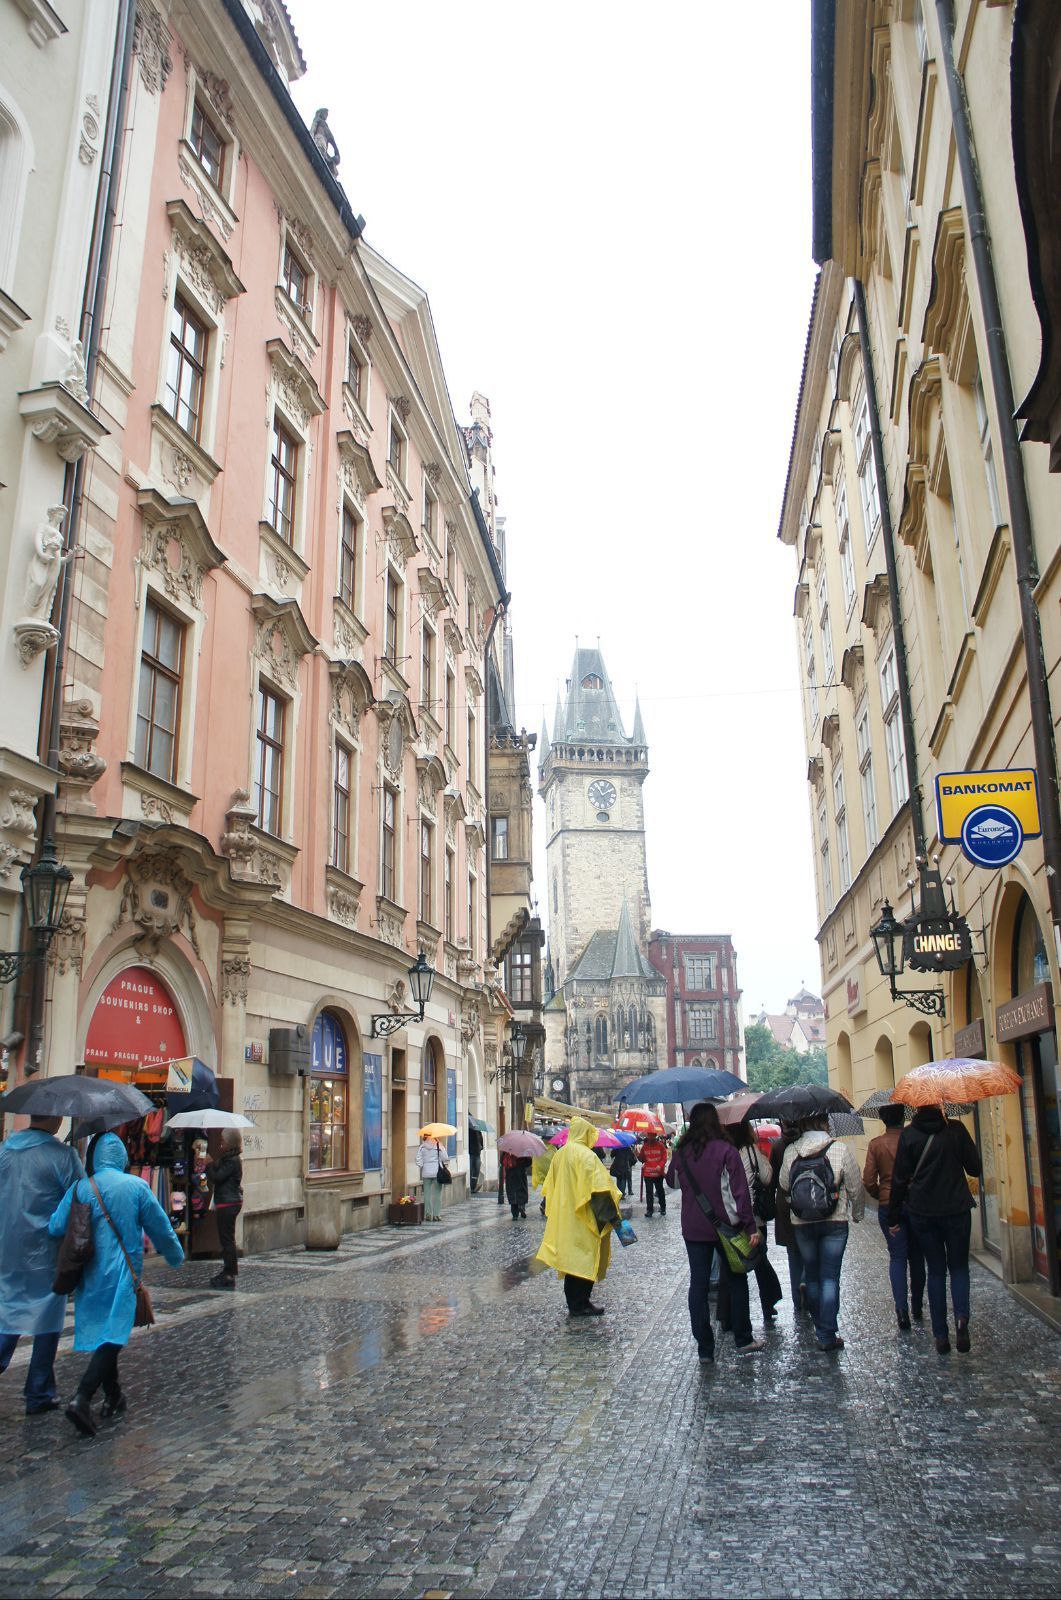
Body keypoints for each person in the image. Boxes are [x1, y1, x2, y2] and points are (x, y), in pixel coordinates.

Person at [48, 1132, 183, 1436]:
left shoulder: (81, 1187)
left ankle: (114, 1396)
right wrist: (175, 1255)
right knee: (113, 1336)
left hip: (90, 1275)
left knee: (105, 1333)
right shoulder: (135, 1187)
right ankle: (82, 1397)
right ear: (121, 1156)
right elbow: (160, 1227)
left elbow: (56, 1225)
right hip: (124, 1273)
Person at [0, 1115, 84, 1416]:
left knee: (7, 1311)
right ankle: (39, 1391)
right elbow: (80, 1197)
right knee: (47, 1319)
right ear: (56, 1119)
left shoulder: (5, 1151)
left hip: (6, 1245)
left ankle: (39, 1388)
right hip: (45, 1250)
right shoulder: (63, 1156)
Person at [666, 1101, 764, 1360]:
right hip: (726, 1226)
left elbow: (672, 1181)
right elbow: (740, 1192)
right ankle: (743, 1338)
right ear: (715, 1123)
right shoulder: (726, 1150)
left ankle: (705, 1348)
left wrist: (678, 1152)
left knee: (697, 1285)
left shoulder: (683, 1151)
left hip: (694, 1227)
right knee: (736, 1278)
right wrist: (750, 1226)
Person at [888, 1105, 981, 1354]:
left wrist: (893, 1217)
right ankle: (961, 1320)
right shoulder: (956, 1130)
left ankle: (941, 1335)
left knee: (936, 1270)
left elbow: (898, 1179)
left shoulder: (909, 1135)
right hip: (957, 1209)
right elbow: (975, 1169)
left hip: (923, 1211)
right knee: (959, 1266)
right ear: (941, 1104)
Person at [779, 1115, 864, 1352]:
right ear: (826, 1124)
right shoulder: (839, 1149)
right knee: (830, 1277)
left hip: (802, 1222)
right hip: (834, 1221)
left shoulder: (791, 1151)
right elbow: (855, 1185)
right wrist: (857, 1213)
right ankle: (827, 1332)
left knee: (813, 1276)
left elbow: (784, 1184)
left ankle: (820, 1326)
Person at [536, 1117, 622, 1317]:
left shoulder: (561, 1154)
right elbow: (599, 1188)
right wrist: (612, 1218)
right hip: (584, 1217)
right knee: (585, 1259)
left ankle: (575, 1303)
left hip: (565, 1216)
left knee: (570, 1261)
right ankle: (581, 1302)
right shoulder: (587, 1156)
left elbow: (551, 1185)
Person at [863, 1105, 925, 1330]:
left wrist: (881, 1195)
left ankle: (901, 1311)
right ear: (903, 1117)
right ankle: (917, 1306)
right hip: (917, 1203)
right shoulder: (914, 1139)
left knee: (897, 1257)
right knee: (917, 1256)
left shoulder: (876, 1144)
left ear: (883, 1119)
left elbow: (869, 1180)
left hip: (890, 1206)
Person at [727, 1120, 783, 1323]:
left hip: (730, 1217)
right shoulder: (751, 1151)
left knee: (733, 1265)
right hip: (754, 1215)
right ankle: (768, 1304)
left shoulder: (724, 1152)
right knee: (760, 1260)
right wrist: (762, 1159)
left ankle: (732, 1315)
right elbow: (768, 1178)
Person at [769, 1122, 805, 1313]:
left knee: (793, 1253)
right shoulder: (805, 1143)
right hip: (807, 1199)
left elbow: (773, 1180)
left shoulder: (777, 1146)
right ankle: (807, 1280)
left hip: (784, 1201)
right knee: (809, 1247)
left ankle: (797, 1299)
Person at [206, 1129, 243, 1290]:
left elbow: (217, 1177)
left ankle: (229, 1274)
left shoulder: (233, 1161)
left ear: (230, 1142)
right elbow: (219, 1171)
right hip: (228, 1202)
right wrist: (212, 1163)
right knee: (227, 1238)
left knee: (227, 1239)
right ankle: (228, 1271)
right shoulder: (229, 1159)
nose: (221, 1143)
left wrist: (209, 1166)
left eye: (223, 1140)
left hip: (228, 1203)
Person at [637, 1131, 669, 1217]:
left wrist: (660, 1165)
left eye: (652, 1135)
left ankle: (663, 1208)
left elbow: (664, 1157)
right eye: (649, 1135)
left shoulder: (660, 1145)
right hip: (648, 1173)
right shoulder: (645, 1146)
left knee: (660, 1191)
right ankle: (649, 1210)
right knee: (649, 1192)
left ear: (655, 1136)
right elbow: (642, 1159)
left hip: (658, 1173)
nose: (650, 1137)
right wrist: (638, 1156)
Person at [417, 1136, 445, 1221]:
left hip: (426, 1172)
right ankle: (436, 1215)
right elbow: (445, 1157)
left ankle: (428, 1214)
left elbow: (418, 1159)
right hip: (437, 1172)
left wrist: (423, 1165)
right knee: (437, 1194)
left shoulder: (422, 1147)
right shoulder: (438, 1145)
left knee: (427, 1194)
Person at [503, 1152, 531, 1219]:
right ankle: (521, 1206)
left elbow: (502, 1161)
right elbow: (529, 1161)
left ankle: (515, 1214)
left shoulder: (507, 1149)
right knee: (522, 1190)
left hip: (510, 1173)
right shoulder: (523, 1149)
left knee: (512, 1192)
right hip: (520, 1171)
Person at [468, 1119, 484, 1193]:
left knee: (476, 1170)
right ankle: (471, 1186)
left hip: (477, 1153)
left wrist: (481, 1147)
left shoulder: (478, 1131)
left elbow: (481, 1140)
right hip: (471, 1153)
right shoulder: (469, 1131)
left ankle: (473, 1186)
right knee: (471, 1170)